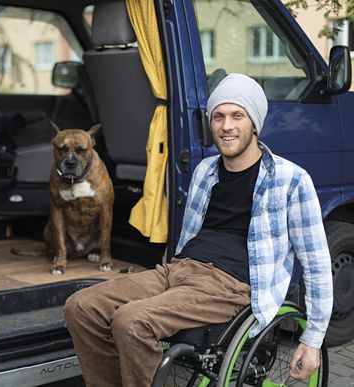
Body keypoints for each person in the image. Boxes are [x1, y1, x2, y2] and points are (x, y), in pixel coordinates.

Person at [63, 73, 333, 387]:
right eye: (218, 116)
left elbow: (316, 263)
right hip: (179, 271)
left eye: (237, 116)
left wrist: (312, 340)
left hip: (231, 285)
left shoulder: (291, 179)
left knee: (131, 320)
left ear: (255, 124)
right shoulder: (205, 170)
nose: (226, 126)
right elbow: (190, 235)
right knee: (81, 306)